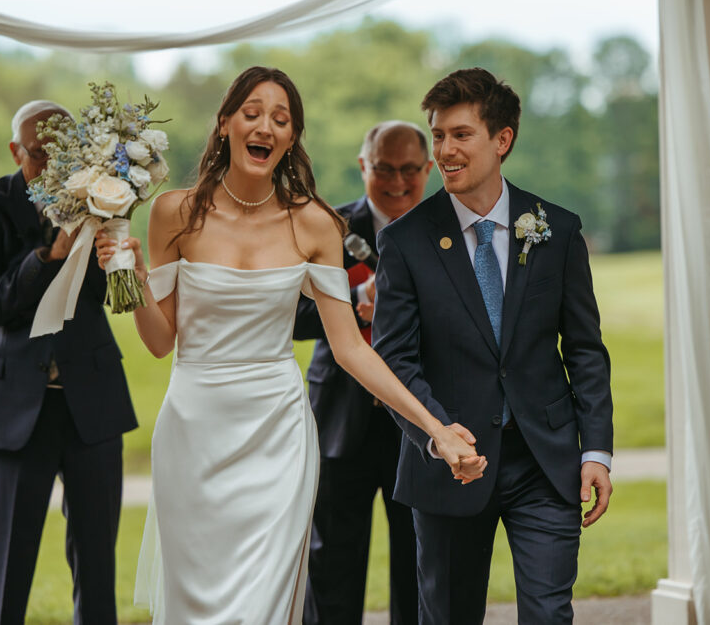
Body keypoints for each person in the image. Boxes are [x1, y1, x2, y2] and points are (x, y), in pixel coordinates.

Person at [94, 66, 485, 625]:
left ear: (292, 138)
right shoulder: (173, 212)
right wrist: (124, 273)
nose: (266, 127)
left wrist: (437, 429)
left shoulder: (315, 224)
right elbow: (160, 342)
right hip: (193, 431)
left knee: (265, 606)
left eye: (281, 119)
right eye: (252, 113)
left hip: (278, 437)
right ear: (226, 123)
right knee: (193, 606)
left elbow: (351, 350)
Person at [372, 68, 614, 624]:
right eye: (438, 135)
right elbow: (395, 362)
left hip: (545, 462)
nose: (444, 150)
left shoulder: (557, 230)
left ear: (502, 140)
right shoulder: (404, 242)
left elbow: (585, 350)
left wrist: (595, 448)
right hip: (450, 467)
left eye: (461, 134)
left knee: (550, 616)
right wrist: (438, 438)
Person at [0, 100, 137, 625]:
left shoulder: (102, 201)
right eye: (40, 155)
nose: (54, 165)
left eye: (65, 154)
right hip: (13, 409)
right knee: (8, 566)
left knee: (98, 565)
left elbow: (119, 298)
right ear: (16, 151)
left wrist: (119, 247)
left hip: (93, 405)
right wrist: (48, 256)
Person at [294, 121, 432, 624]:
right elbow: (290, 315)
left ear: (428, 169)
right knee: (331, 558)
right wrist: (352, 303)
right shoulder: (329, 227)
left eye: (409, 170)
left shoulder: (447, 230)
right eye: (384, 169)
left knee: (421, 559)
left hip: (419, 420)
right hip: (341, 416)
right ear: (363, 166)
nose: (397, 181)